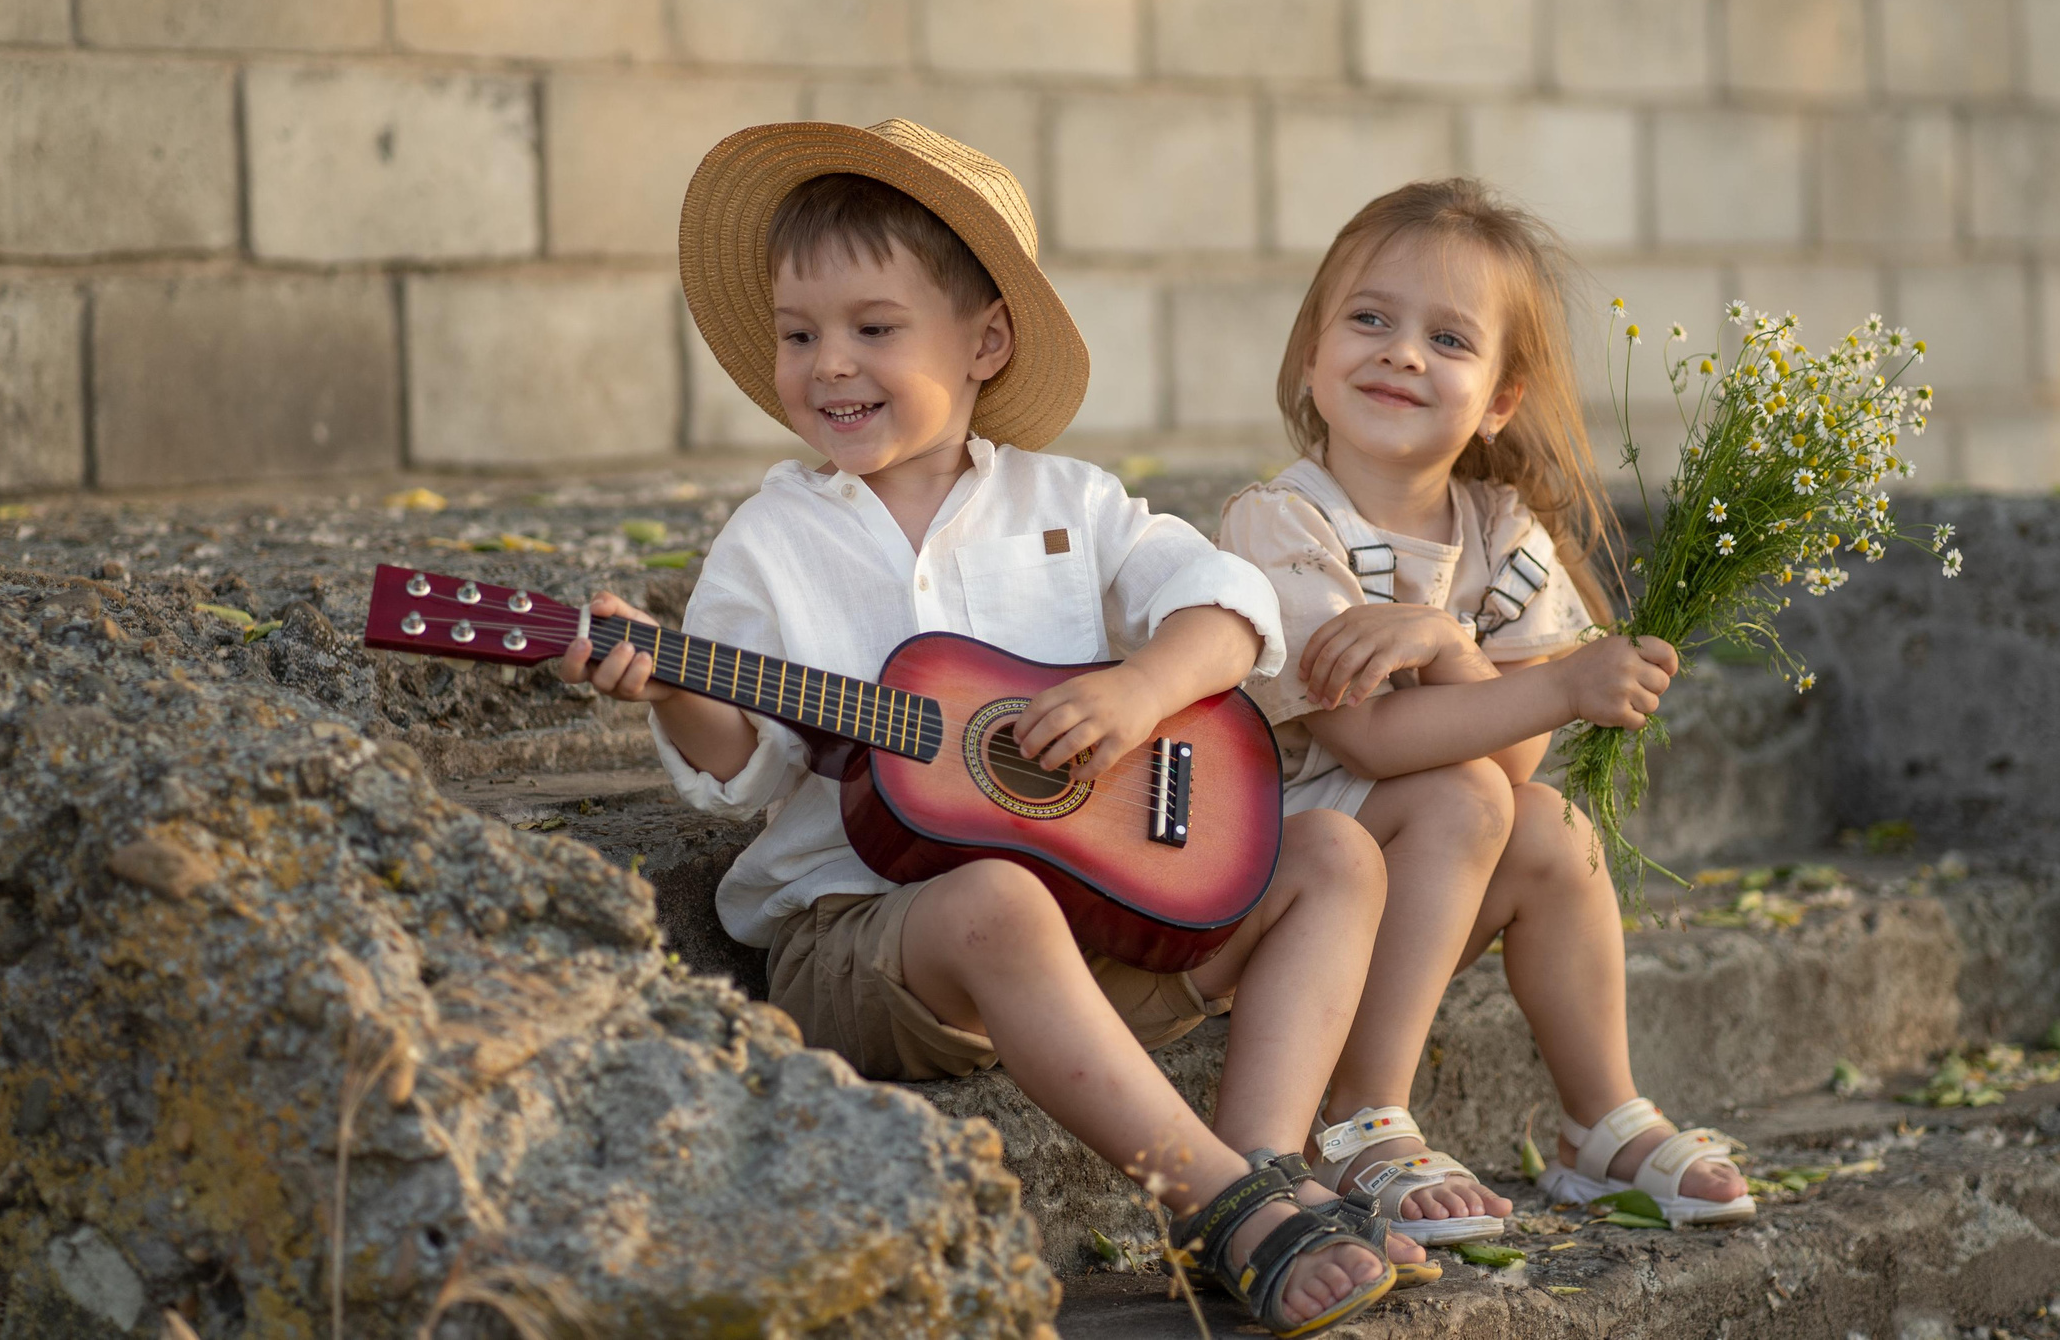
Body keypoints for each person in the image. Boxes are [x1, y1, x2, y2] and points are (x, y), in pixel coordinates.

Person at [559, 120, 1426, 1335]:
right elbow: (744, 771)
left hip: (1091, 925)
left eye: (873, 328)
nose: (828, 365)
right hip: (869, 942)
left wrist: (1137, 692)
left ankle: (1258, 1167)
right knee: (994, 902)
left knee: (1335, 853)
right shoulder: (772, 545)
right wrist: (671, 687)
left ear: (985, 342)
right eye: (799, 334)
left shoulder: (1066, 501)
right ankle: (1202, 1195)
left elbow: (1227, 603)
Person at [1214, 179, 1757, 1235]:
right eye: (1368, 319)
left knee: (1551, 822)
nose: (1401, 352)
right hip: (1281, 888)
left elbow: (1512, 769)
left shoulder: (1501, 531)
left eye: (1447, 339)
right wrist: (1541, 682)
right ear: (1310, 355)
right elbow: (1362, 733)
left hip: (1414, 881)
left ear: (1499, 400)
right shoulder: (1277, 526)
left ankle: (1599, 1121)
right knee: (1461, 799)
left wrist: (1445, 641)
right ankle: (1360, 1116)